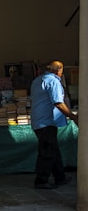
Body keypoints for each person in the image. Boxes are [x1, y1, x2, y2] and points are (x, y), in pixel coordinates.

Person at [30, 60, 78, 189]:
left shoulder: (38, 80)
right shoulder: (54, 81)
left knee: (53, 150)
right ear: (58, 71)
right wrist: (73, 117)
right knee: (47, 152)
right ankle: (41, 180)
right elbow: (58, 102)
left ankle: (59, 177)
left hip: (39, 120)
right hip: (46, 121)